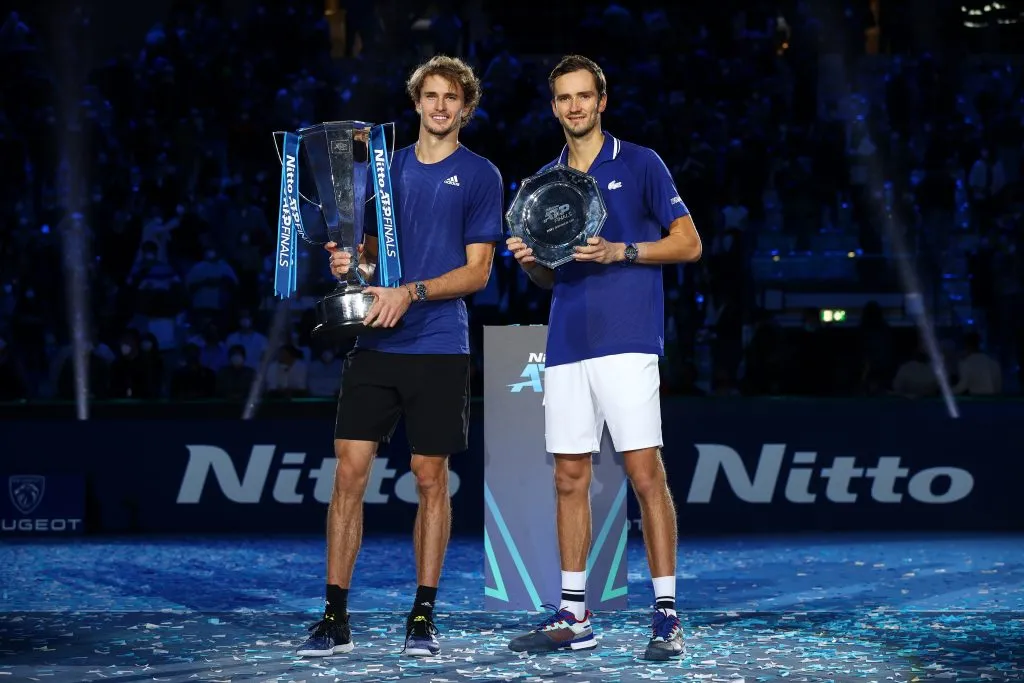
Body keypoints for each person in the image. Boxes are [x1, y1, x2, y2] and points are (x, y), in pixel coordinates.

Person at [295, 55, 503, 658]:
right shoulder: (383, 172)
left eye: (452, 98)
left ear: (466, 107)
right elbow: (366, 259)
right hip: (375, 344)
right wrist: (349, 267)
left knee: (429, 478)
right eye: (431, 96)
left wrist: (408, 292)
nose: (440, 106)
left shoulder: (481, 175)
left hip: (439, 346)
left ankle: (422, 616)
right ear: (416, 103)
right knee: (348, 477)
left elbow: (477, 273)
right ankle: (335, 615)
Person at [505, 54, 702, 660]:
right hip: (566, 342)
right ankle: (573, 613)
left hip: (628, 341)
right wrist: (530, 261)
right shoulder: (543, 183)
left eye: (583, 96)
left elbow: (689, 244)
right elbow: (546, 278)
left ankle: (666, 613)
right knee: (569, 478)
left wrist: (624, 251)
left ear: (602, 100)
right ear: (555, 105)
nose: (574, 106)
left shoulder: (641, 163)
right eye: (563, 97)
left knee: (646, 474)